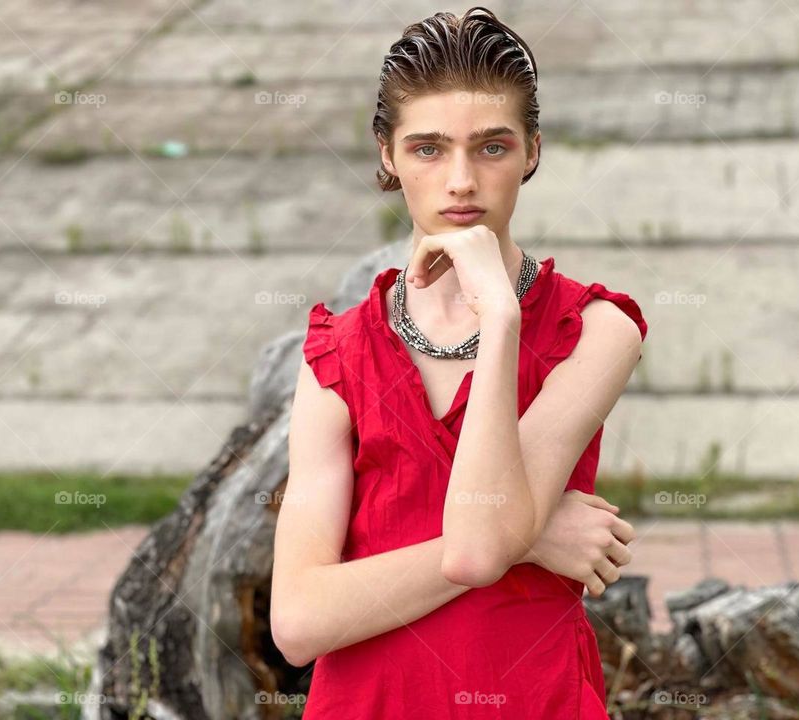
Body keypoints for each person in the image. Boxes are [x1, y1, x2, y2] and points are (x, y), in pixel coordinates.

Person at [271, 7, 648, 718]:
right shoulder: (336, 357)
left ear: (532, 150)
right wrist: (534, 536)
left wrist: (501, 317)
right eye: (428, 149)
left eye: (492, 148)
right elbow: (297, 621)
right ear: (387, 155)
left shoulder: (597, 331)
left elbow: (480, 550)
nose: (461, 181)